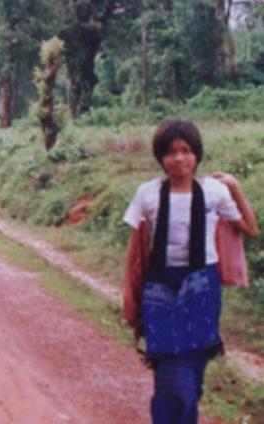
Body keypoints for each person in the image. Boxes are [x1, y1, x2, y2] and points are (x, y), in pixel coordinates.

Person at [122, 119, 258, 424]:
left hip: (202, 290)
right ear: (160, 157)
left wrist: (235, 187)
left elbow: (250, 228)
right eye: (170, 152)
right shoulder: (148, 194)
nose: (179, 158)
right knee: (171, 378)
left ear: (197, 154)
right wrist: (130, 295)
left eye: (186, 150)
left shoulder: (214, 192)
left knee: (193, 376)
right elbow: (135, 250)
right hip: (161, 289)